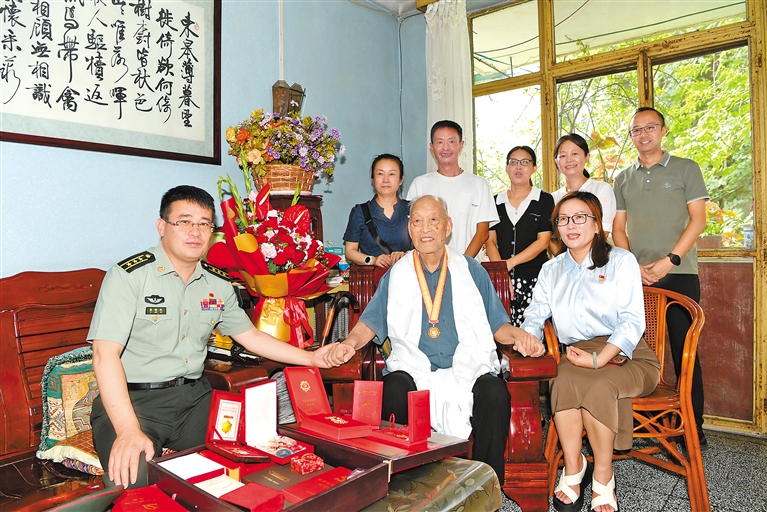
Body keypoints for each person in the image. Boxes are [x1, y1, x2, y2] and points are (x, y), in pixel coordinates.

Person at [88, 185, 335, 489]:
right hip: (136, 403)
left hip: (195, 400)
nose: (195, 232)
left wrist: (311, 358)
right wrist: (127, 430)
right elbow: (104, 355)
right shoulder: (129, 276)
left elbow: (251, 336)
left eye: (204, 223)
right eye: (184, 221)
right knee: (134, 479)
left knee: (258, 453)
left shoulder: (217, 283)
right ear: (162, 226)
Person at [323, 195, 544, 485]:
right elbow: (370, 323)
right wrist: (349, 344)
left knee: (495, 394)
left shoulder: (471, 270)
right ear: (409, 229)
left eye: (433, 220)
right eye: (417, 221)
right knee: (394, 388)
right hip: (413, 367)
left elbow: (498, 325)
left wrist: (521, 336)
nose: (425, 228)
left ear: (448, 226)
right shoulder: (396, 274)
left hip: (468, 366)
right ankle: (405, 486)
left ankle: (483, 487)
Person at [520, 191, 660, 512]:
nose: (571, 225)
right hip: (576, 354)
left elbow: (632, 321)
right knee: (561, 377)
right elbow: (535, 313)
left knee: (597, 382)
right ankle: (574, 467)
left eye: (580, 217)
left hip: (626, 354)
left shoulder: (621, 260)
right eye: (563, 219)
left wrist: (600, 358)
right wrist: (529, 337)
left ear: (597, 225)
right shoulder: (551, 269)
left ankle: (603, 473)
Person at [612, 106, 709, 447]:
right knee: (633, 350)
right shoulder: (623, 178)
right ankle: (636, 424)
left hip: (679, 273)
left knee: (685, 351)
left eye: (650, 127)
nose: (643, 134)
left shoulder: (686, 168)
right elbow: (618, 228)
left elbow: (698, 219)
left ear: (663, 130)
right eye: (636, 130)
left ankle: (693, 427)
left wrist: (670, 260)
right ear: (631, 136)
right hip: (637, 278)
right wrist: (632, 266)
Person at [406, 120, 498, 260]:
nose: (445, 148)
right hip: (428, 266)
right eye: (440, 142)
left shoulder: (480, 184)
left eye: (451, 142)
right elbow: (414, 230)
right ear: (431, 146)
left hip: (468, 265)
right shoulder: (419, 184)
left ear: (461, 145)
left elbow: (483, 233)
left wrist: (462, 263)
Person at [485, 146, 554, 326]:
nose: (518, 167)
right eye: (513, 162)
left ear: (534, 168)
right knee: (503, 330)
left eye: (525, 162)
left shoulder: (544, 200)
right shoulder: (495, 201)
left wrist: (509, 264)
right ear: (507, 168)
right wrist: (502, 272)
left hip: (536, 279)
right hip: (503, 280)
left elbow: (543, 242)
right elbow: (490, 240)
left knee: (536, 330)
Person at [343, 154, 410, 269]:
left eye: (392, 174)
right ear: (373, 179)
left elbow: (425, 246)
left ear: (400, 180)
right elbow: (350, 251)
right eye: (380, 174)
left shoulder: (412, 209)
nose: (385, 180)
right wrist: (372, 260)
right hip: (372, 276)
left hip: (406, 275)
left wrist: (406, 255)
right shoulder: (359, 212)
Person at [551, 133, 616, 236]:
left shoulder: (602, 189)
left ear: (587, 157)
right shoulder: (552, 198)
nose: (569, 160)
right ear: (556, 162)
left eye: (574, 154)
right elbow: (551, 237)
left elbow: (603, 232)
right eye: (563, 156)